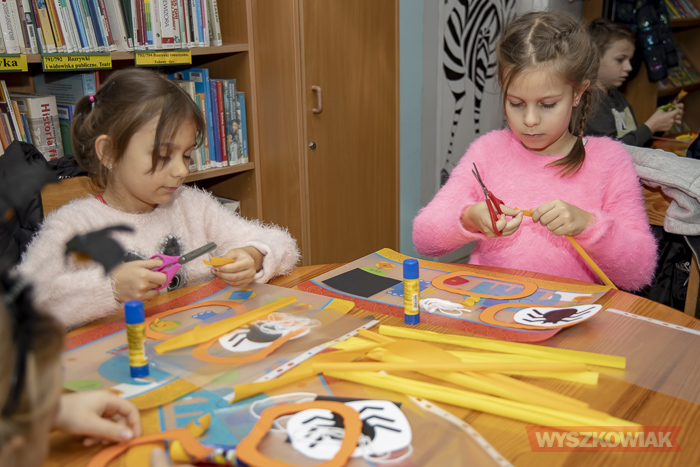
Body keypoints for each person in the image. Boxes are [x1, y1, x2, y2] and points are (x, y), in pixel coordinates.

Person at [17, 68, 300, 329]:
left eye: (186, 155)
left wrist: (253, 256)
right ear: (109, 153)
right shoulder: (73, 226)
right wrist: (110, 287)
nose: (181, 171)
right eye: (163, 155)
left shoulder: (192, 206)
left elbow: (282, 244)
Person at [413, 11, 657, 291]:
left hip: (570, 311)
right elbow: (424, 239)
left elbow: (640, 273)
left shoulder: (610, 161)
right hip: (489, 305)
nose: (529, 120)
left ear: (578, 93)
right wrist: (469, 219)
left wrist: (588, 226)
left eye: (547, 104)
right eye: (516, 103)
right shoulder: (488, 151)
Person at [585, 17, 683, 147]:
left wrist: (660, 125)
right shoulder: (590, 102)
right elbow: (612, 150)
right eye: (620, 60)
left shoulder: (618, 97)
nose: (629, 67)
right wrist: (651, 127)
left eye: (630, 60)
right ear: (594, 57)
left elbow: (635, 143)